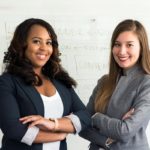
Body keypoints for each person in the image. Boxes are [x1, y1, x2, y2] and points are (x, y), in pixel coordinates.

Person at [0, 18, 90, 150]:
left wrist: (54, 124)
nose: (44, 48)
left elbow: (85, 116)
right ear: (22, 44)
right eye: (36, 41)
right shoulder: (7, 82)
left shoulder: (60, 81)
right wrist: (59, 135)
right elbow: (13, 129)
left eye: (48, 43)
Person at [79, 19, 150, 150]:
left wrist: (96, 117)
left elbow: (125, 131)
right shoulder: (104, 81)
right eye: (117, 44)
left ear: (141, 47)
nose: (122, 51)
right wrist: (106, 140)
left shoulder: (147, 83)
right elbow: (82, 125)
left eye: (129, 45)